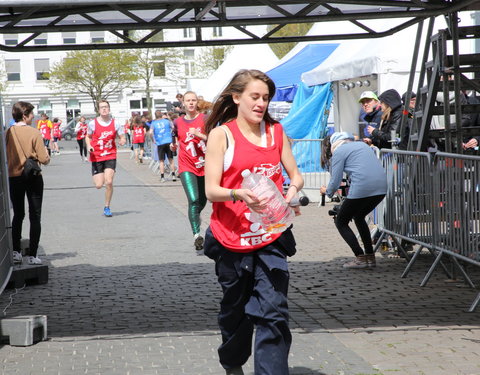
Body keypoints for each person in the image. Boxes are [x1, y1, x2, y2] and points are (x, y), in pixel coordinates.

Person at [203, 69, 304, 375]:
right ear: (236, 97)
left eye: (266, 98)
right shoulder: (222, 135)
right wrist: (239, 194)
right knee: (236, 313)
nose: (261, 103)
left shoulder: (276, 132)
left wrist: (293, 192)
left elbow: (295, 174)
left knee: (273, 313)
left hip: (271, 237)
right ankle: (233, 363)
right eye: (255, 96)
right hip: (230, 239)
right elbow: (211, 190)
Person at [320, 132, 387, 269]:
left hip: (363, 187)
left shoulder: (339, 152)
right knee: (359, 217)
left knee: (341, 221)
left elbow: (336, 180)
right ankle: (370, 257)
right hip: (381, 188)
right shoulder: (362, 146)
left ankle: (360, 258)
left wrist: (327, 192)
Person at [6, 101, 50, 265]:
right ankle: (33, 255)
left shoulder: (7, 132)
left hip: (14, 177)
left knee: (18, 214)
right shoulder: (34, 133)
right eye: (31, 114)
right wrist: (46, 157)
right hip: (33, 177)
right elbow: (44, 159)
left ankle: (16, 251)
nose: (33, 116)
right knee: (35, 215)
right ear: (25, 115)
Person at [172, 91, 208, 254]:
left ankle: (195, 218)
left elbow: (214, 138)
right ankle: (197, 235)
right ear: (183, 104)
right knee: (193, 200)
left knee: (203, 200)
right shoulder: (178, 122)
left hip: (205, 165)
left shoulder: (205, 119)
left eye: (194, 100)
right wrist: (173, 146)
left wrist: (199, 134)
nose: (191, 103)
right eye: (188, 101)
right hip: (186, 165)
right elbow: (176, 138)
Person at [85, 100, 126, 217]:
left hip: (110, 155)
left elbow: (122, 136)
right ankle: (100, 177)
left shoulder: (115, 123)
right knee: (99, 185)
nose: (104, 109)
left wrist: (122, 140)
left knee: (109, 181)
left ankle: (107, 206)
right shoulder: (93, 123)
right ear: (98, 110)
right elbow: (88, 137)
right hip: (97, 156)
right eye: (102, 107)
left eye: (106, 107)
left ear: (109, 109)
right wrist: (89, 145)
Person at [150, 110, 176, 182]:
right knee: (171, 159)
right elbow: (173, 127)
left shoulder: (153, 123)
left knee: (161, 160)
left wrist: (153, 139)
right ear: (161, 115)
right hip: (168, 141)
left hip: (160, 142)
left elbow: (150, 132)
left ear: (155, 116)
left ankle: (162, 177)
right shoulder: (167, 121)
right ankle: (173, 175)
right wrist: (171, 133)